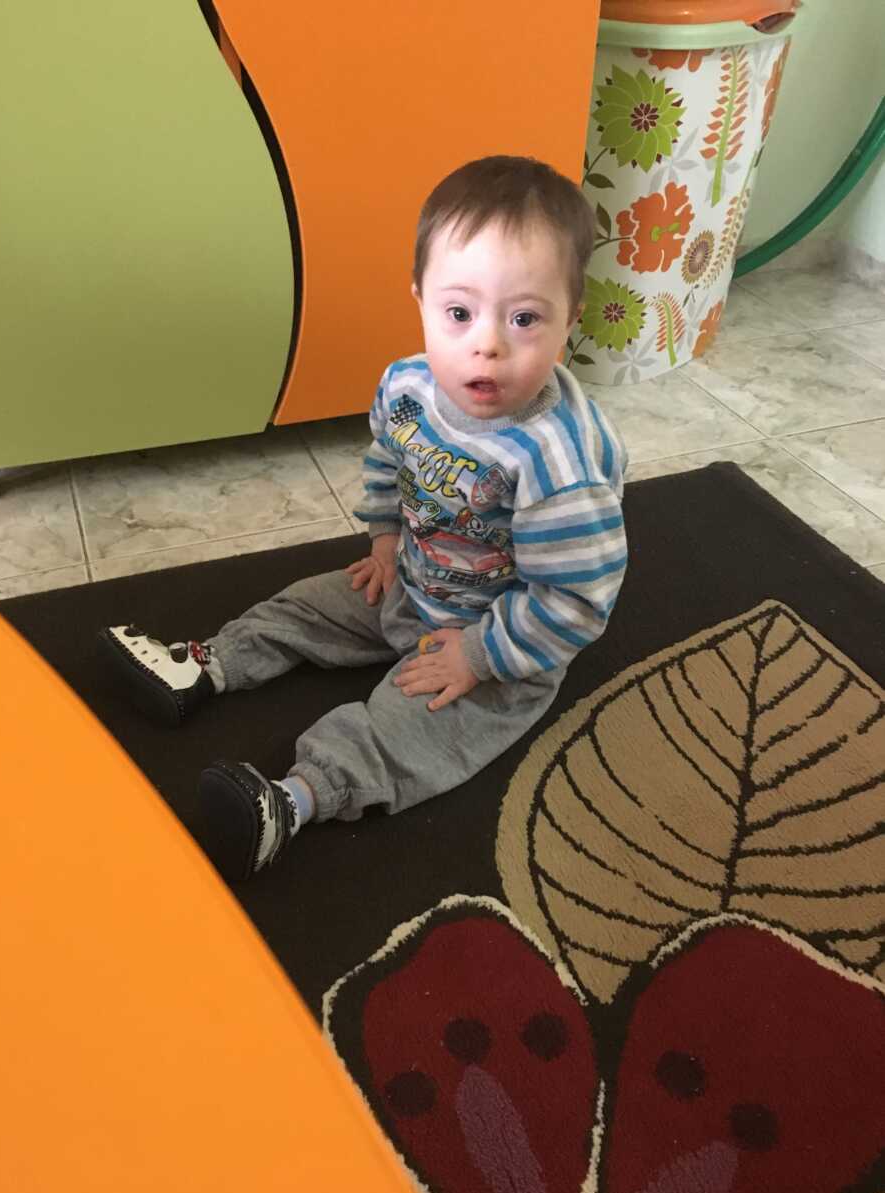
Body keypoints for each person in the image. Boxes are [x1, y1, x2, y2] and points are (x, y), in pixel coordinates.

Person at [98, 154, 628, 884]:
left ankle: (293, 800)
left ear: (572, 317)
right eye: (459, 313)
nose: (488, 344)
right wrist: (383, 542)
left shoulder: (560, 460)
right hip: (410, 581)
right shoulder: (408, 386)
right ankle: (204, 666)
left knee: (407, 728)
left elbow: (574, 601)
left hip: (500, 644)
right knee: (306, 606)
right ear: (419, 299)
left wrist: (476, 657)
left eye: (526, 318)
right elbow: (389, 462)